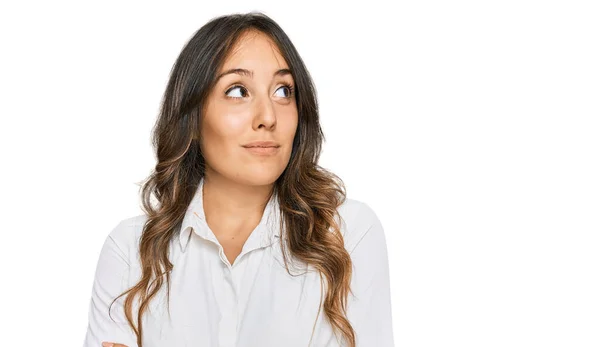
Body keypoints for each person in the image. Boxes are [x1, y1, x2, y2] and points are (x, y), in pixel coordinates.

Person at [83, 11, 394, 347]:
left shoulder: (347, 233)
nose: (267, 117)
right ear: (193, 114)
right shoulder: (130, 250)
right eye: (237, 91)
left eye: (283, 90)